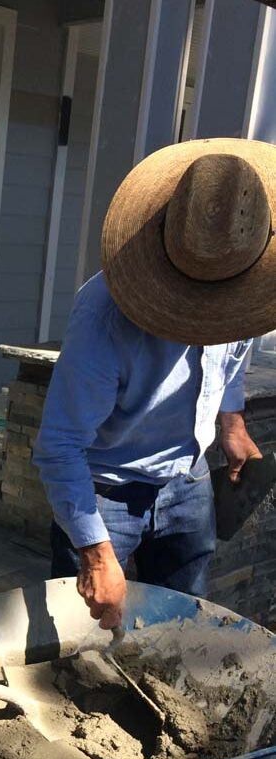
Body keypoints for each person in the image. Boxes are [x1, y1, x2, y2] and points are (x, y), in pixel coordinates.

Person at [34, 138, 276, 631]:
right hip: (107, 491)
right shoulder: (106, 316)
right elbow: (59, 446)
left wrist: (231, 424)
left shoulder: (249, 279)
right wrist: (97, 554)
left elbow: (228, 361)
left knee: (181, 625)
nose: (218, 319)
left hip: (188, 484)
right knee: (82, 636)